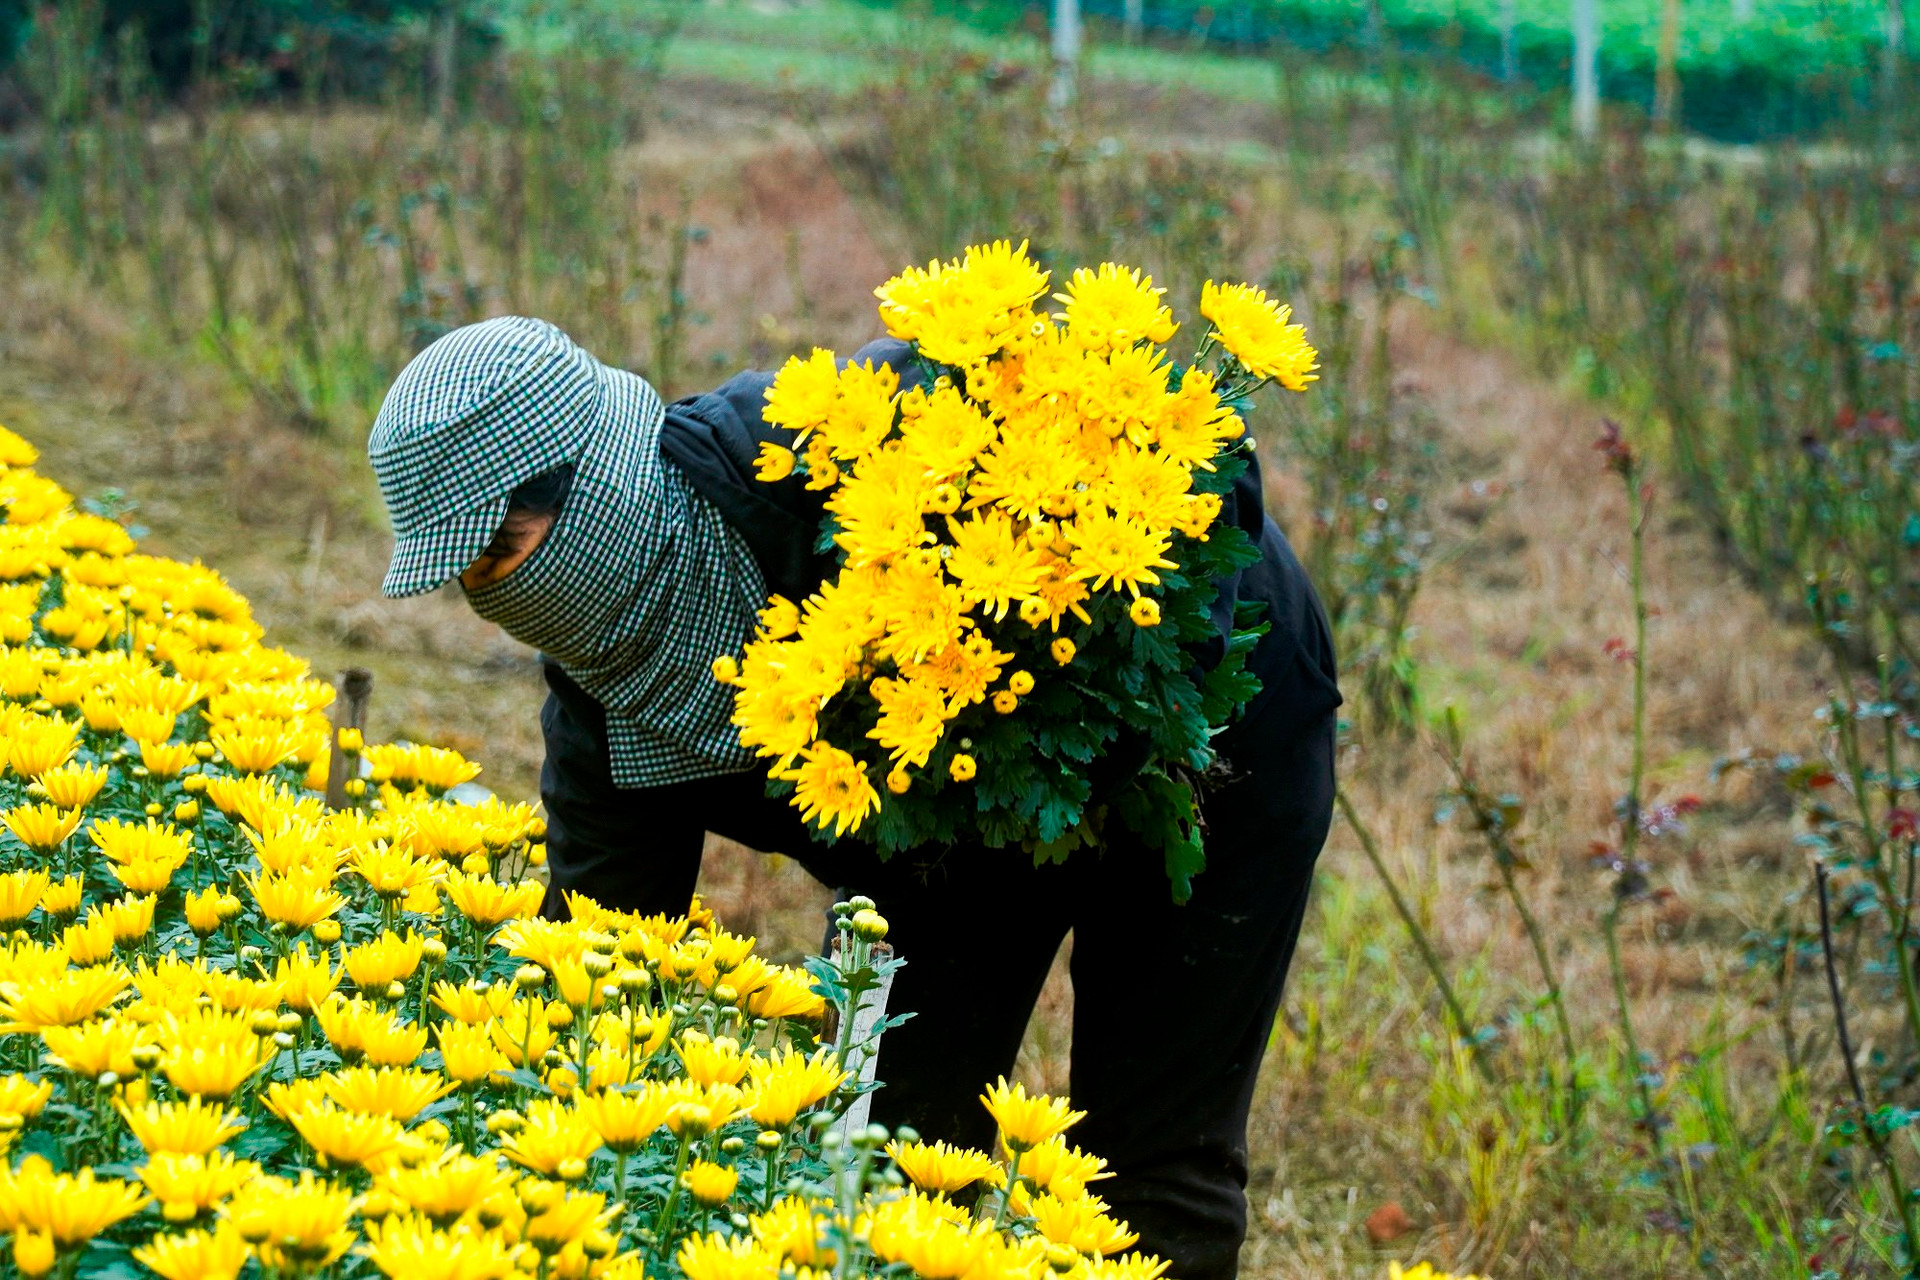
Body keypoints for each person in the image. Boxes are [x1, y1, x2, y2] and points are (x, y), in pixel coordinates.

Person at [368, 314, 1340, 1278]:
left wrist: (1130, 691)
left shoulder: (846, 450)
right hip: (947, 841)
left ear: (595, 476)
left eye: (497, 551)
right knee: (882, 1158)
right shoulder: (605, 688)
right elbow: (599, 958)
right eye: (465, 578)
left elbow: (1199, 454)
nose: (492, 600)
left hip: (1205, 736)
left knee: (1145, 1178)